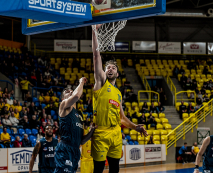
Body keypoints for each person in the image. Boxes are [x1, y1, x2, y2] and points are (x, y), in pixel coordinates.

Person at [91, 24, 148, 173]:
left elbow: (122, 118)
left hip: (116, 133)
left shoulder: (118, 93)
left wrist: (135, 127)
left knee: (115, 169)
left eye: (113, 68)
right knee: (98, 169)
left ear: (117, 74)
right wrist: (94, 32)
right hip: (101, 132)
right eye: (108, 67)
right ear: (104, 72)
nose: (110, 69)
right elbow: (96, 56)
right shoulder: (100, 83)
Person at [54, 77, 97, 173]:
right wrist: (81, 82)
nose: (70, 92)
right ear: (62, 97)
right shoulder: (63, 105)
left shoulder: (80, 115)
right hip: (65, 148)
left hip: (75, 151)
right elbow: (77, 96)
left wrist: (92, 131)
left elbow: (82, 141)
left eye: (71, 91)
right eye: (67, 92)